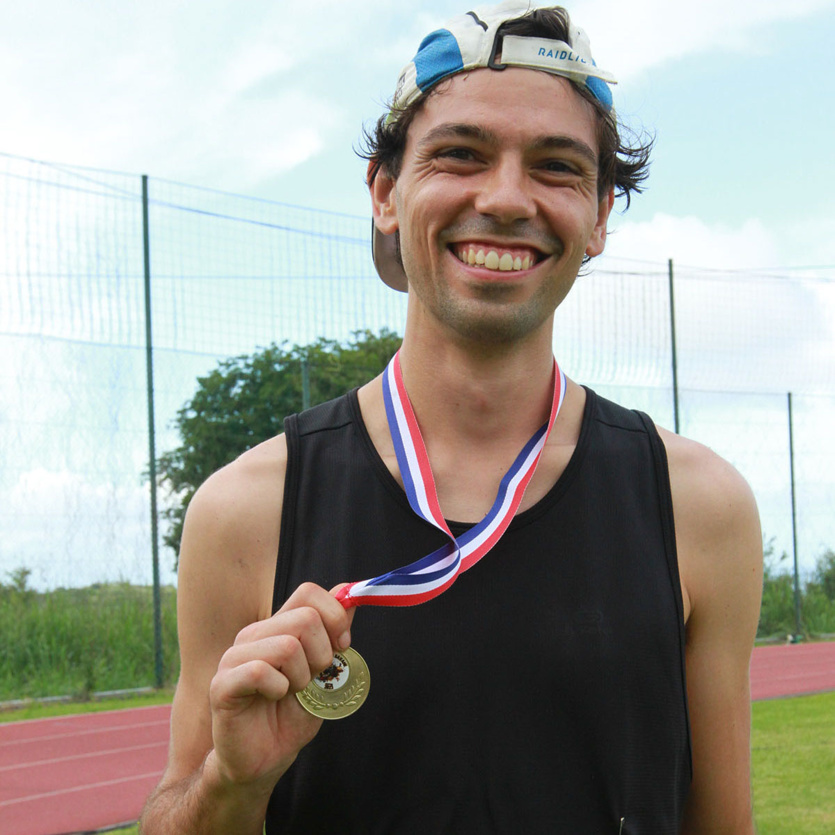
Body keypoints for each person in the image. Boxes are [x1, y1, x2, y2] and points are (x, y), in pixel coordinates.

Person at [140, 3, 763, 833]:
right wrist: (232, 784)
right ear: (387, 192)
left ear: (601, 214)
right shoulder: (243, 509)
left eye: (555, 167)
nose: (506, 199)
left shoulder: (698, 506)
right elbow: (178, 810)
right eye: (460, 154)